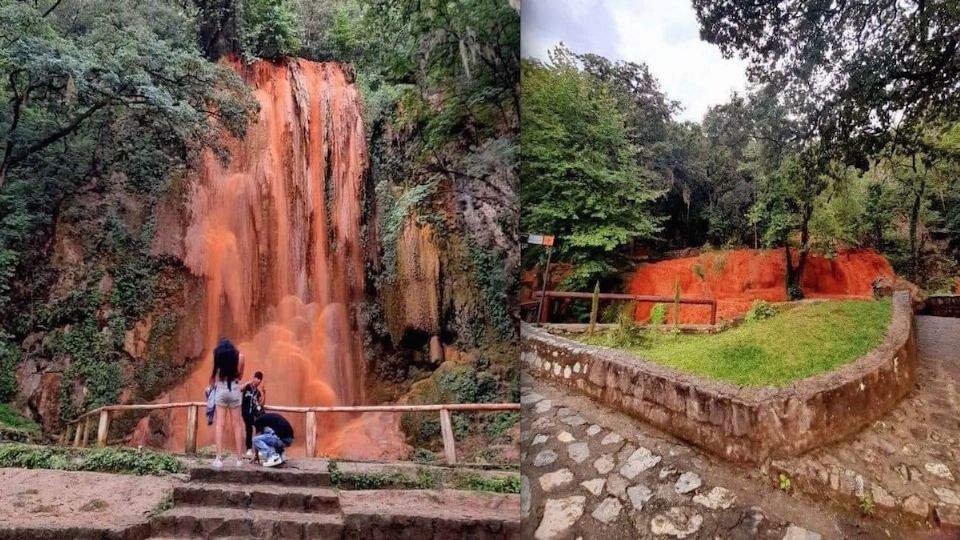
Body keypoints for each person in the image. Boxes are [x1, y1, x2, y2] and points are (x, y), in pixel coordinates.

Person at [209, 337, 245, 468]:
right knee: (237, 424)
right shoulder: (240, 356)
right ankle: (239, 459)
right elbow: (240, 377)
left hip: (221, 389)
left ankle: (218, 459)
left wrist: (210, 389)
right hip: (234, 389)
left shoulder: (217, 355)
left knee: (220, 425)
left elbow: (214, 375)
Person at [241, 371, 266, 458]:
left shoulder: (258, 392)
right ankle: (249, 449)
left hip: (254, 413)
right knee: (249, 428)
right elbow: (240, 389)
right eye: (257, 378)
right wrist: (248, 382)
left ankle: (259, 449)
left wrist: (264, 394)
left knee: (259, 427)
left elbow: (261, 405)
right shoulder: (247, 387)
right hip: (245, 411)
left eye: (260, 379)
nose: (258, 381)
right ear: (254, 378)